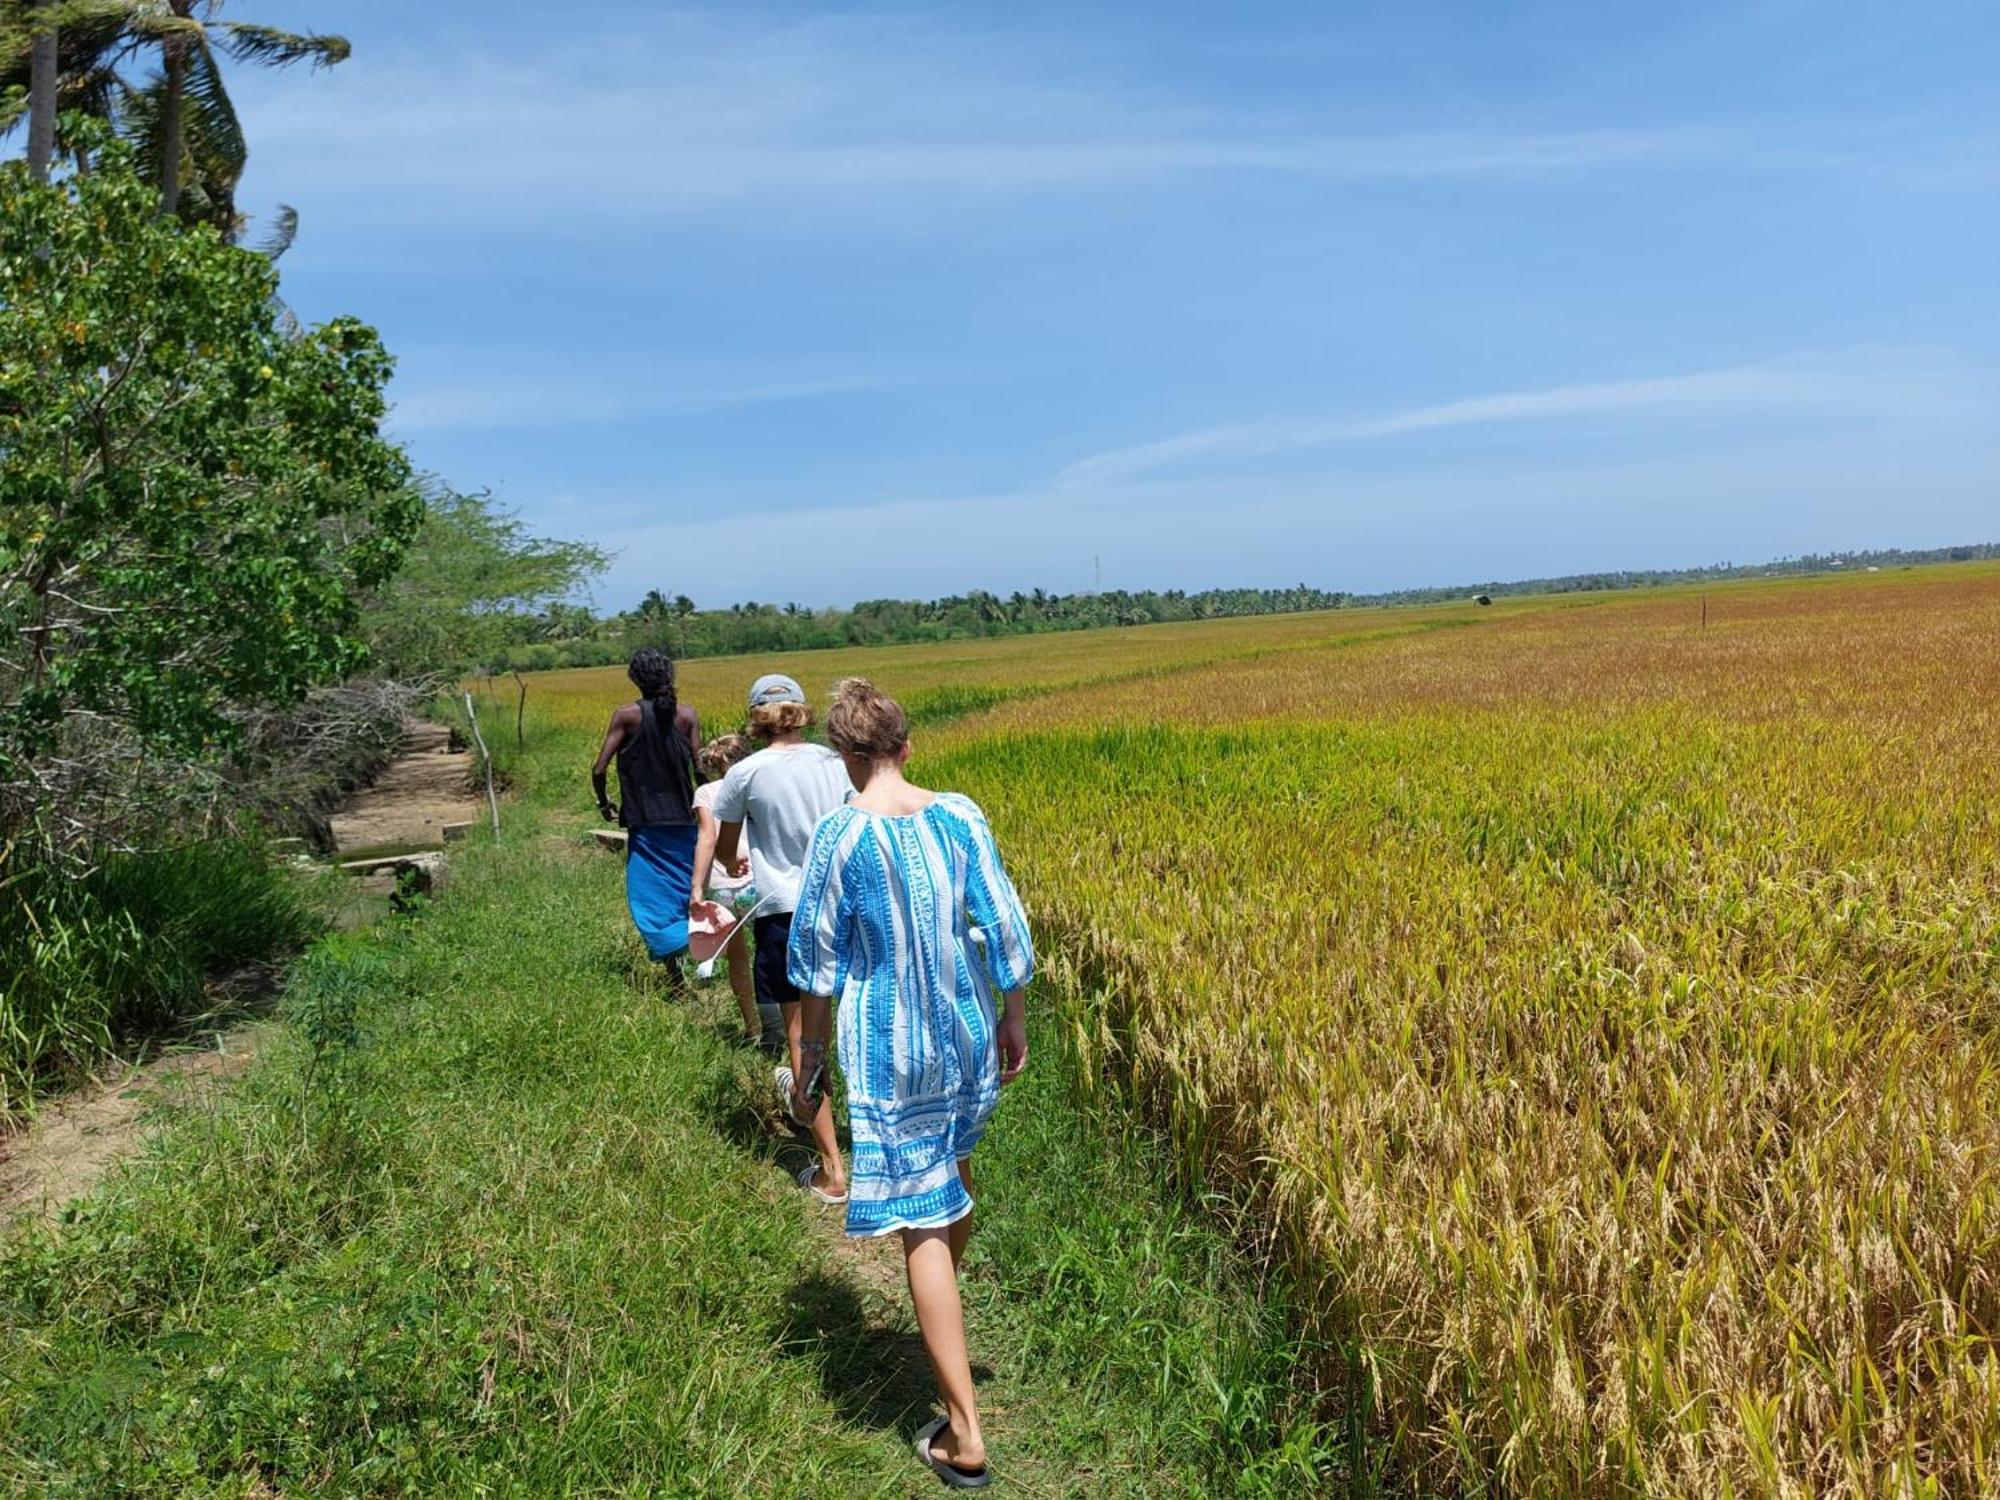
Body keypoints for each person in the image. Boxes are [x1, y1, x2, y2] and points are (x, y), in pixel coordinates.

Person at [787, 678, 1032, 1490]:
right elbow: (1003, 921)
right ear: (907, 744)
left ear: (843, 755)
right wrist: (1014, 1018)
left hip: (890, 1048)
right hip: (966, 1030)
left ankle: (965, 1434)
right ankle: (945, 1311)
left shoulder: (838, 837)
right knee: (954, 1173)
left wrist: (810, 1058)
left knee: (922, 1219)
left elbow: (816, 962)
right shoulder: (959, 813)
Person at [689, 674, 853, 1203]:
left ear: (756, 718)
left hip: (784, 913)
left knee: (803, 1034)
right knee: (856, 1026)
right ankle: (878, 1150)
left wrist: (740, 856)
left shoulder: (745, 772)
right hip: (845, 906)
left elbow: (725, 848)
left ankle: (832, 1171)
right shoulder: (835, 762)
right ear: (802, 711)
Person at [591, 647, 701, 971]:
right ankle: (702, 956)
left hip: (645, 823)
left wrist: (603, 802)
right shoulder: (688, 716)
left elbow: (599, 769)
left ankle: (675, 972)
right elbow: (701, 768)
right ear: (669, 676)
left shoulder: (627, 716)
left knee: (652, 899)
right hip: (684, 818)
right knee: (686, 890)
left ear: (635, 679)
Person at [692, 733, 781, 1051]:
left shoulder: (705, 793)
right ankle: (777, 1023)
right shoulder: (759, 787)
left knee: (738, 960)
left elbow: (706, 840)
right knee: (769, 955)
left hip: (723, 888)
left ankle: (751, 1026)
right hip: (762, 883)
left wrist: (696, 889)